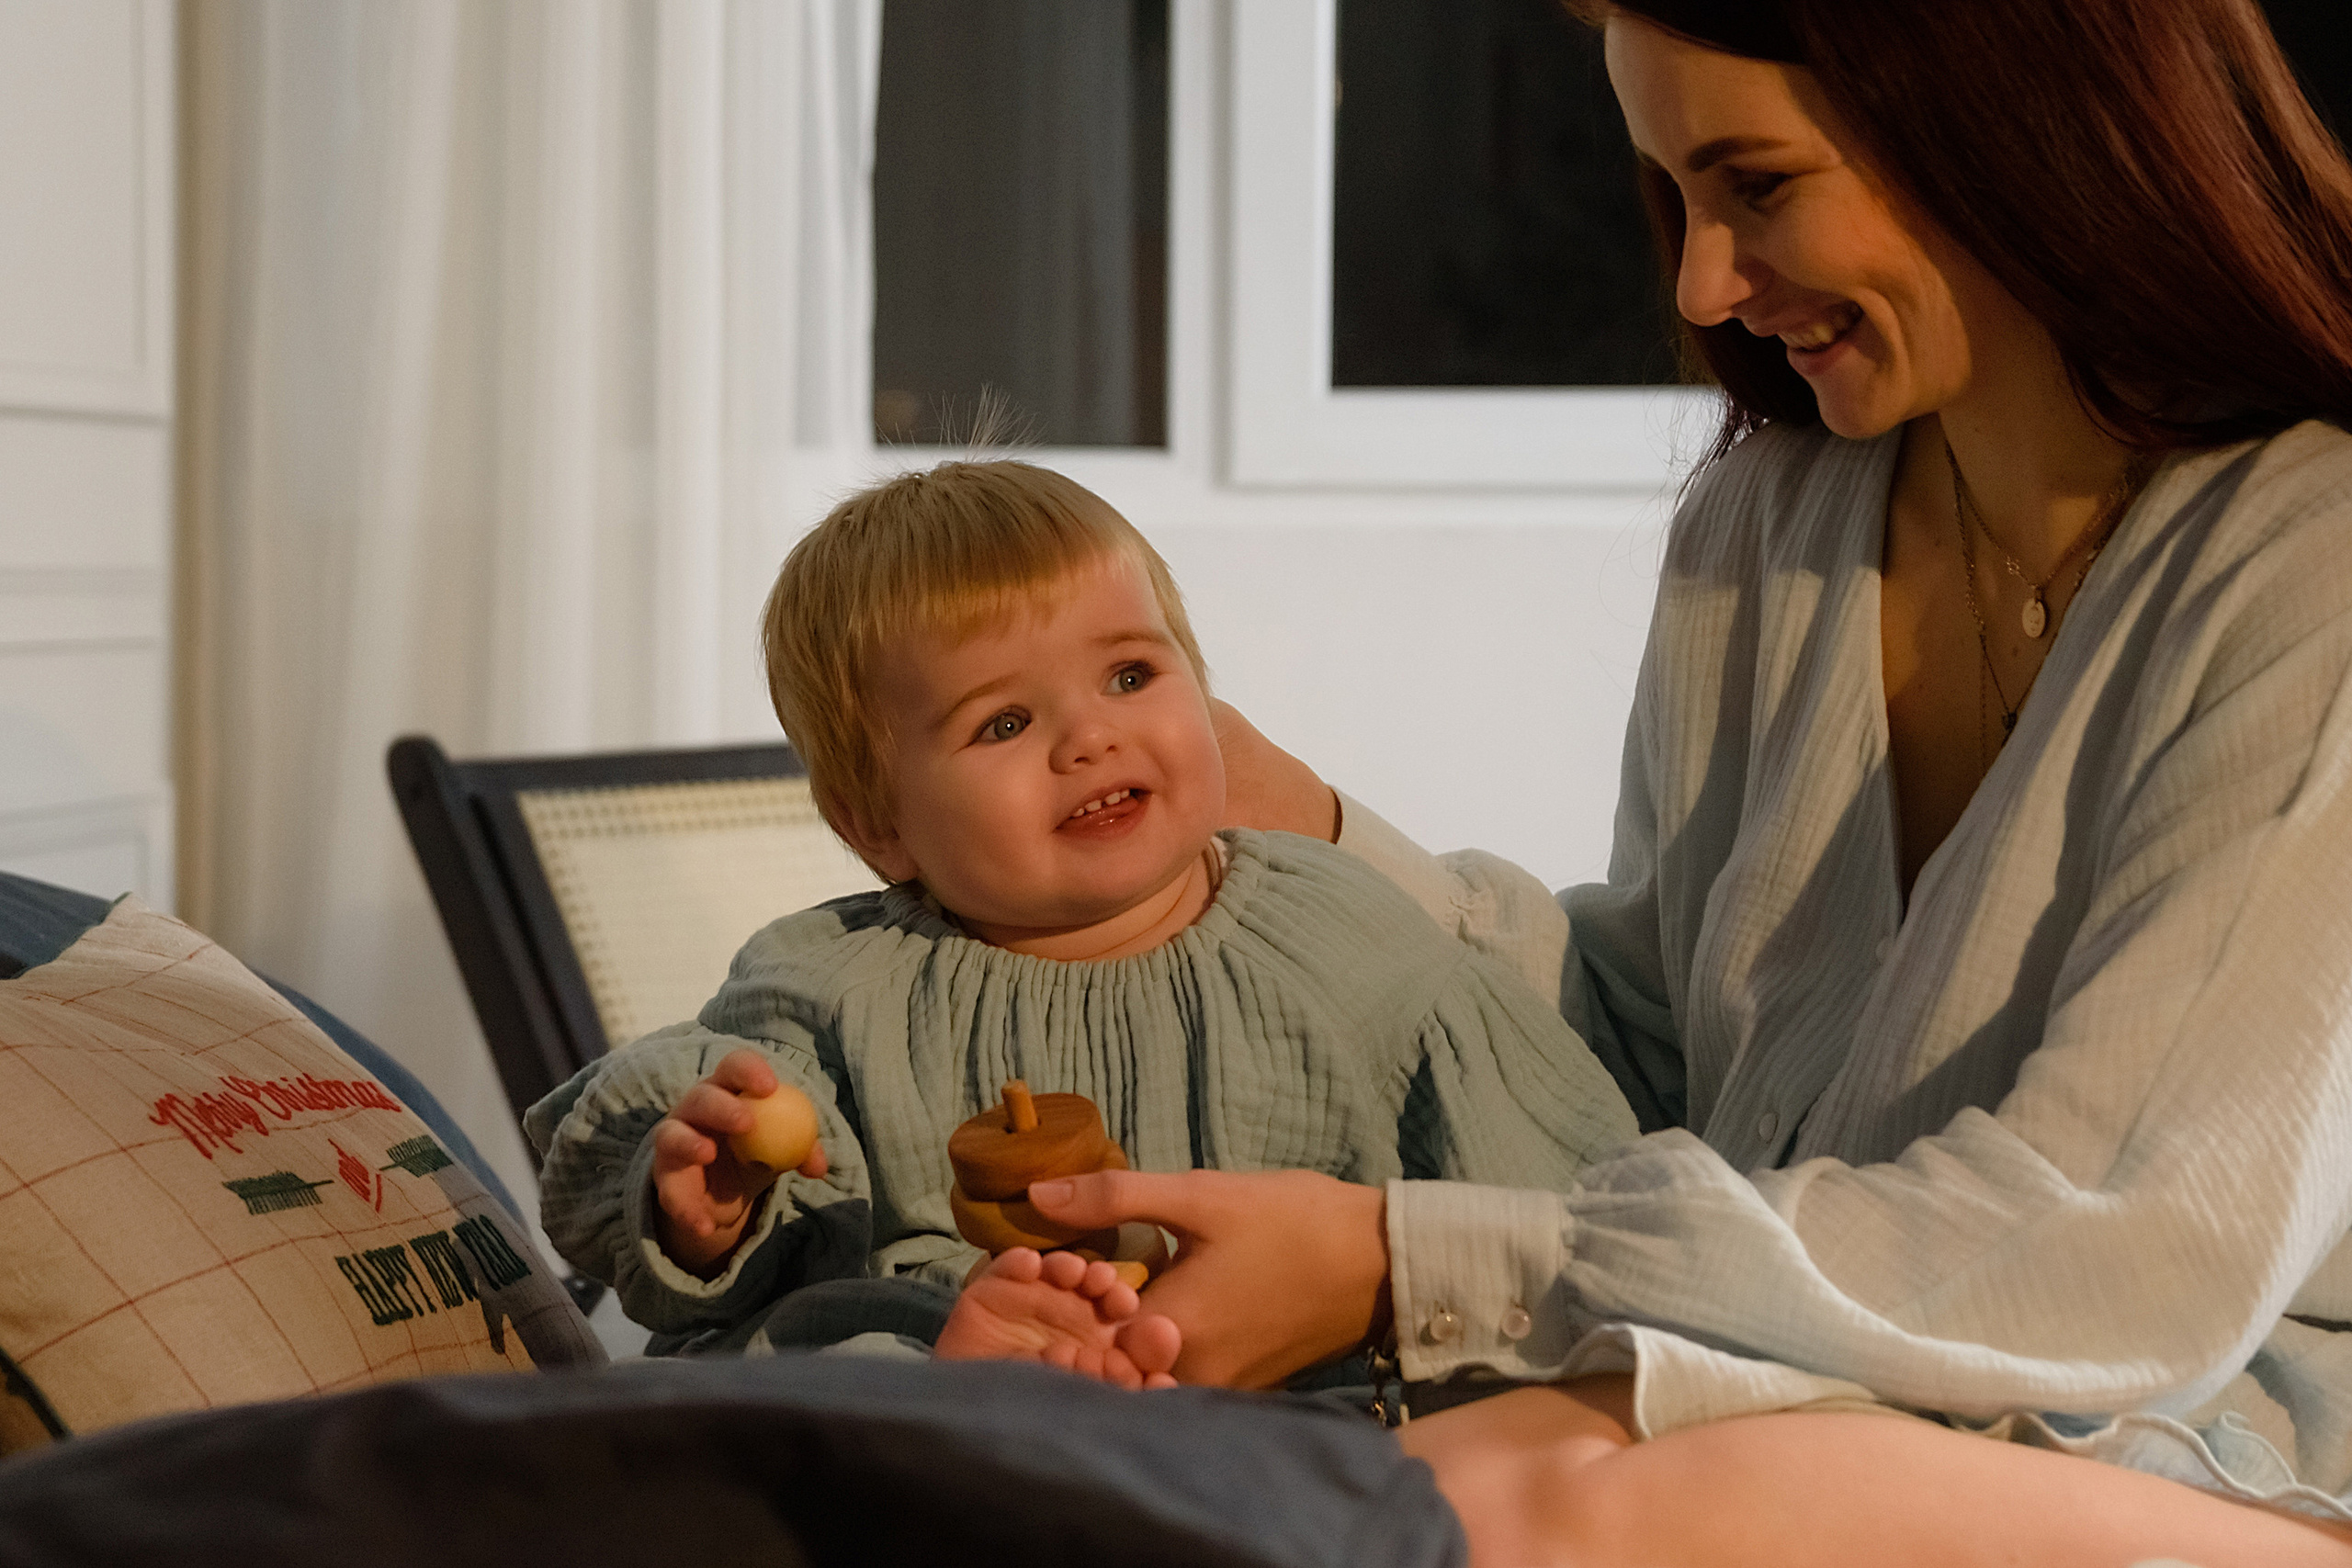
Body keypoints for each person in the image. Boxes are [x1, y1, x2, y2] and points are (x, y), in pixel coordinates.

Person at [1000, 0, 2352, 1562]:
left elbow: (2126, 1253)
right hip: (1842, 1407)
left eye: (1758, 186)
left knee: (1512, 1490)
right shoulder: (1770, 528)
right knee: (1210, 1472)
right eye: (1675, 199)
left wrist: (1397, 1263)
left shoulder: (2308, 573)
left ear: (2013, 127)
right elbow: (1656, 1061)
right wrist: (1308, 843)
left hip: (2249, 1467)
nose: (1705, 278)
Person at [525, 458, 1637, 1389]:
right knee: (824, 1354)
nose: (1087, 738)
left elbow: (1557, 1196)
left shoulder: (1346, 925)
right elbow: (734, 1237)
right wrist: (705, 1208)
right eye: (1003, 720)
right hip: (945, 1430)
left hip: (1298, 1419)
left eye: (1129, 674)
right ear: (877, 825)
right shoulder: (826, 987)